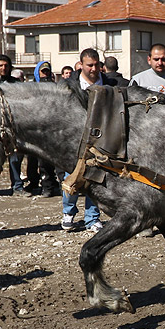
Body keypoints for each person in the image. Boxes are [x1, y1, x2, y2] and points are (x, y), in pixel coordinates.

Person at [61, 48, 109, 233]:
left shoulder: (109, 83)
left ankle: (92, 218)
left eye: (97, 65)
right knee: (71, 176)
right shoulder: (68, 85)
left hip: (100, 138)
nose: (94, 69)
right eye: (90, 65)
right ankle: (68, 213)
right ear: (81, 65)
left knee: (94, 178)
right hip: (75, 138)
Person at [0, 55, 26, 196]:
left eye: (6, 65)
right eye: (1, 65)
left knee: (15, 157)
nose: (4, 68)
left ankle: (18, 186)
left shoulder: (15, 83)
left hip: (12, 126)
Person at [28, 61, 59, 197]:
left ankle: (55, 185)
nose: (45, 74)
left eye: (47, 71)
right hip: (37, 130)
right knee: (40, 162)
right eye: (43, 72)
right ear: (37, 73)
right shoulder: (31, 89)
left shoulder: (55, 88)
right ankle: (45, 186)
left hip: (54, 129)